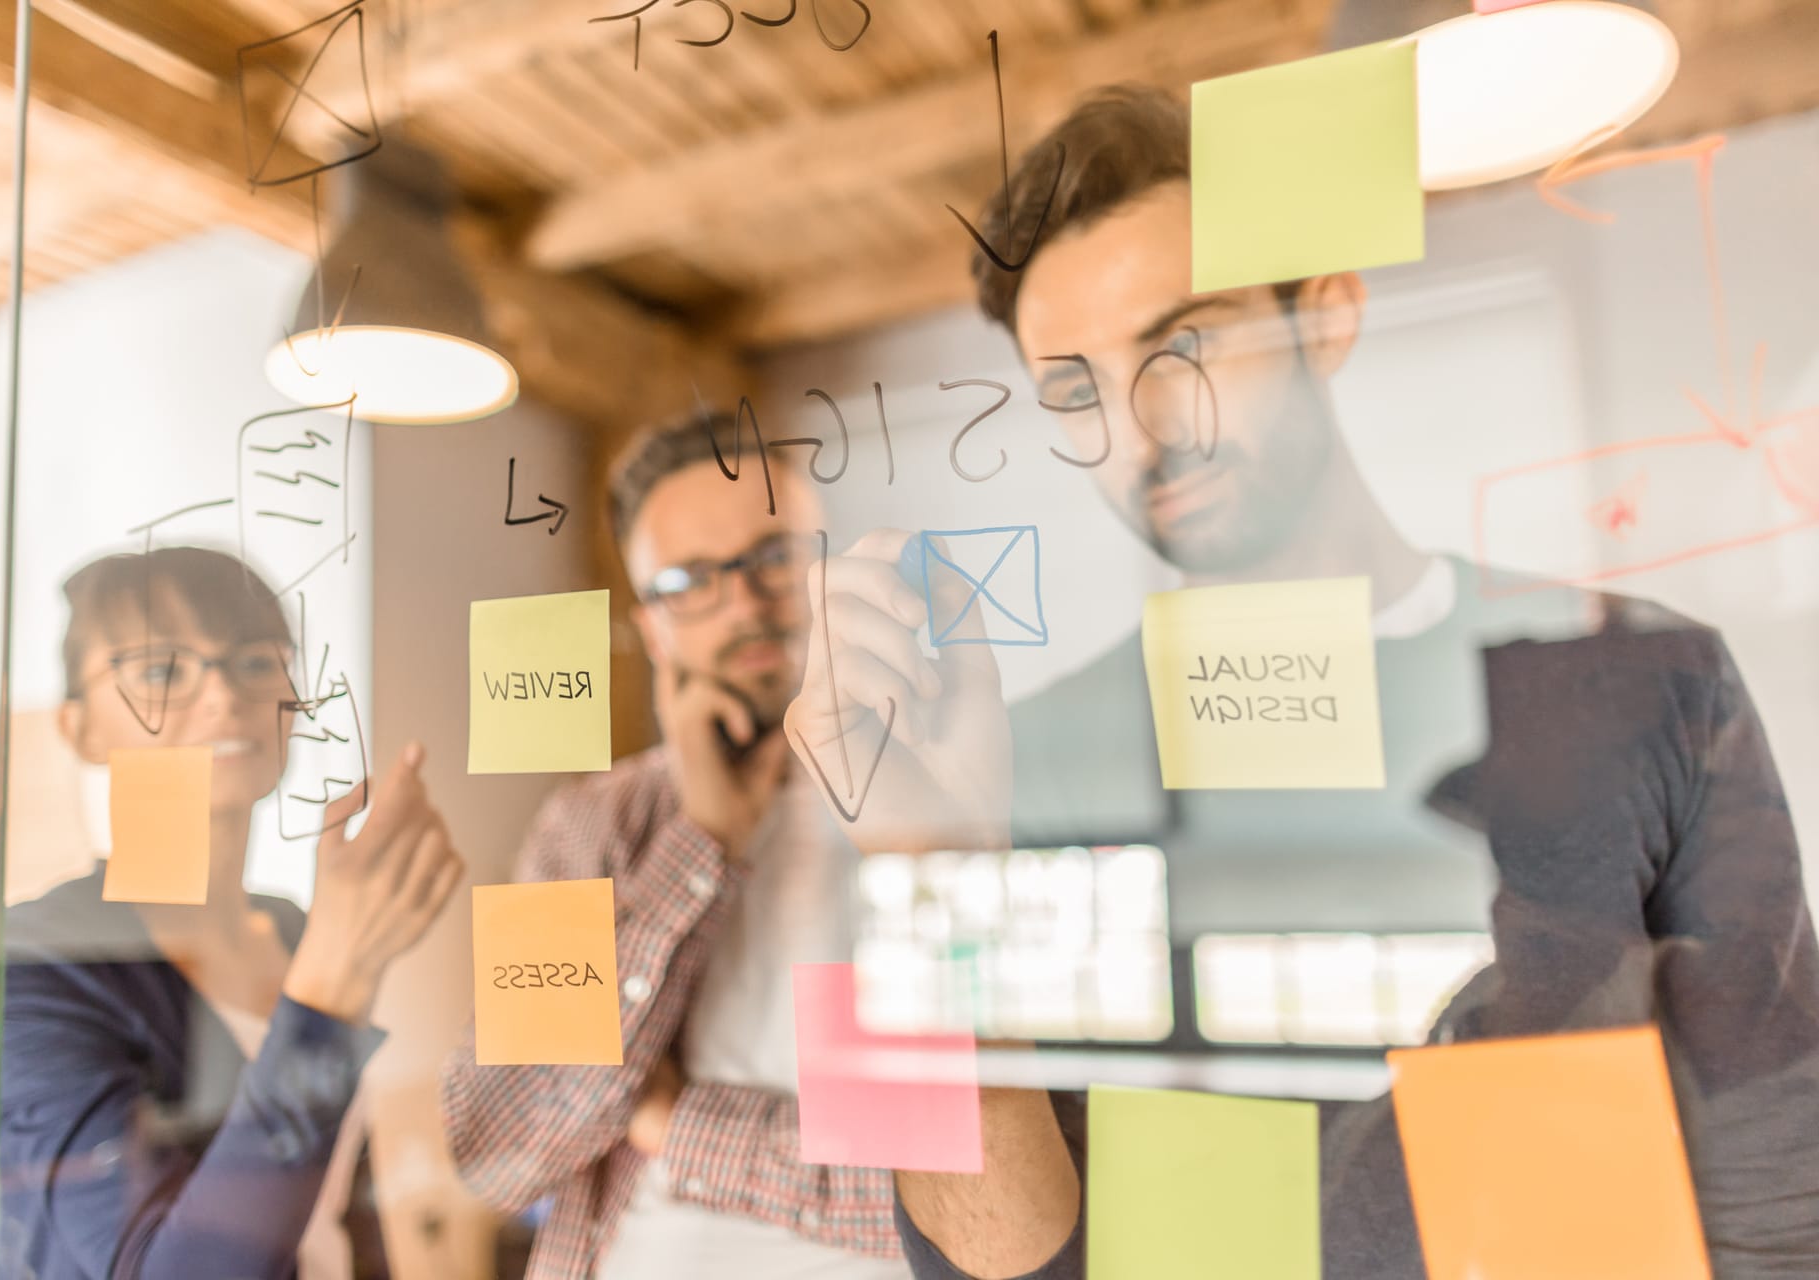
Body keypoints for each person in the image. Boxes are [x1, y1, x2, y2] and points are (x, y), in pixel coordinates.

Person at [784, 86, 1819, 1277]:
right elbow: (976, 1261)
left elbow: (1777, 1175)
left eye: (1186, 343)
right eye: (1076, 390)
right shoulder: (1027, 759)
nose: (1139, 431)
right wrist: (927, 872)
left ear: (1324, 312)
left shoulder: (1639, 670)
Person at [439, 413, 908, 1280]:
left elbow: (990, 1203)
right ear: (652, 628)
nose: (744, 601)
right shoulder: (591, 824)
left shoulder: (943, 799)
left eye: (776, 555)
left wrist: (674, 1122)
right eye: (689, 580)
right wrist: (704, 841)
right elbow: (497, 1147)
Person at [0, 546, 463, 1280]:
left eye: (255, 662)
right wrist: (337, 978)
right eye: (161, 671)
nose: (222, 697)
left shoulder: (292, 928)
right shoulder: (31, 965)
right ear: (78, 728)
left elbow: (341, 1208)